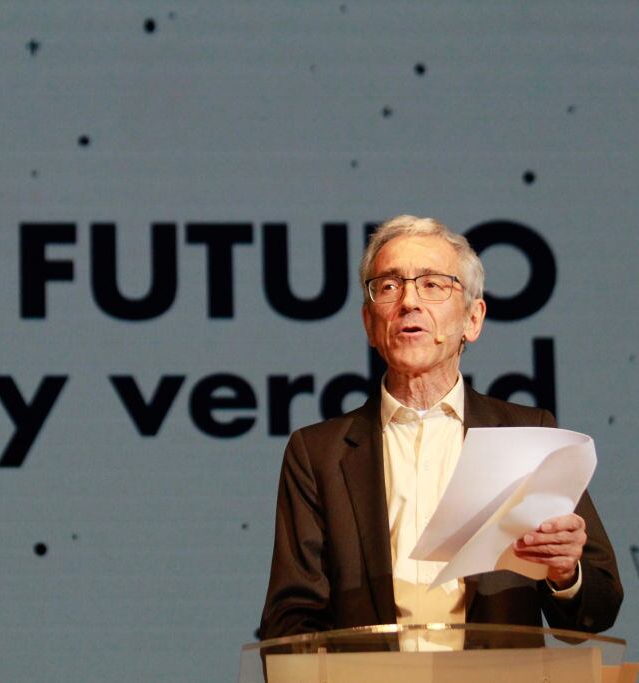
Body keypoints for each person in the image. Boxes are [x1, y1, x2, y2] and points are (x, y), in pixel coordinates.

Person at [258, 215, 622, 648]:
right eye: (389, 286)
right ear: (370, 324)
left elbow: (596, 609)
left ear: (473, 318)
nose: (409, 301)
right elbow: (291, 620)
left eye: (432, 284)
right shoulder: (319, 453)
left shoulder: (528, 435)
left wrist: (566, 572)